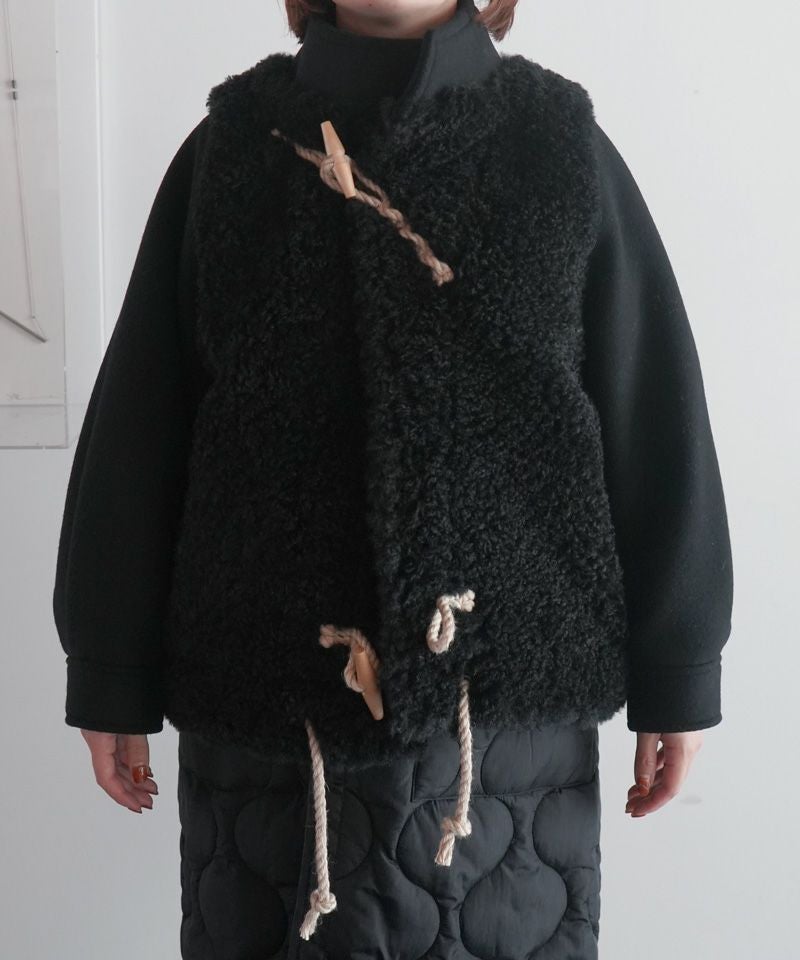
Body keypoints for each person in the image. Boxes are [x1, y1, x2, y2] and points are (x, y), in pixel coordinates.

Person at [53, 0, 734, 956]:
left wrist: (680, 669)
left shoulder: (557, 146)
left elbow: (652, 408)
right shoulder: (234, 150)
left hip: (507, 743)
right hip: (271, 731)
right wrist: (109, 667)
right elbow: (143, 420)